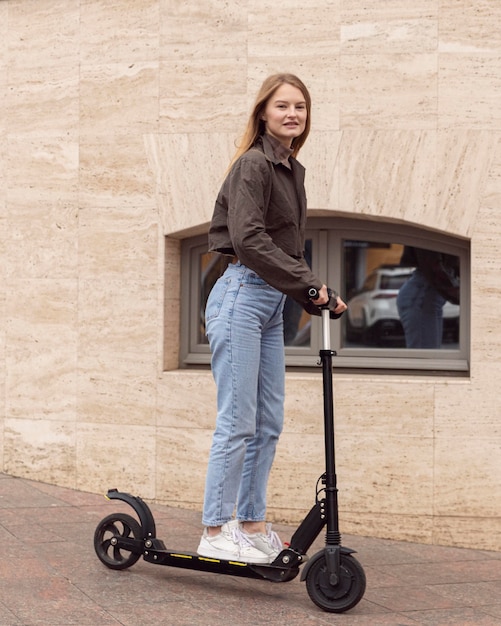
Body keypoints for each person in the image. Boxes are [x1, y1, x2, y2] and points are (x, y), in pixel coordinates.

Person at [197, 73, 347, 564]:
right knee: (237, 420)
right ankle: (216, 529)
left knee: (268, 422)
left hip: (270, 303)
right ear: (263, 112)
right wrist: (306, 287)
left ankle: (252, 523)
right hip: (240, 295)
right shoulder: (253, 165)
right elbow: (248, 240)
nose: (292, 115)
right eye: (282, 106)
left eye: (300, 107)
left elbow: (286, 248)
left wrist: (317, 294)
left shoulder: (292, 170)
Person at [396, 246, 460, 349]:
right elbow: (432, 266)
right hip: (421, 297)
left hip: (426, 297)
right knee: (426, 359)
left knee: (430, 357)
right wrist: (460, 294)